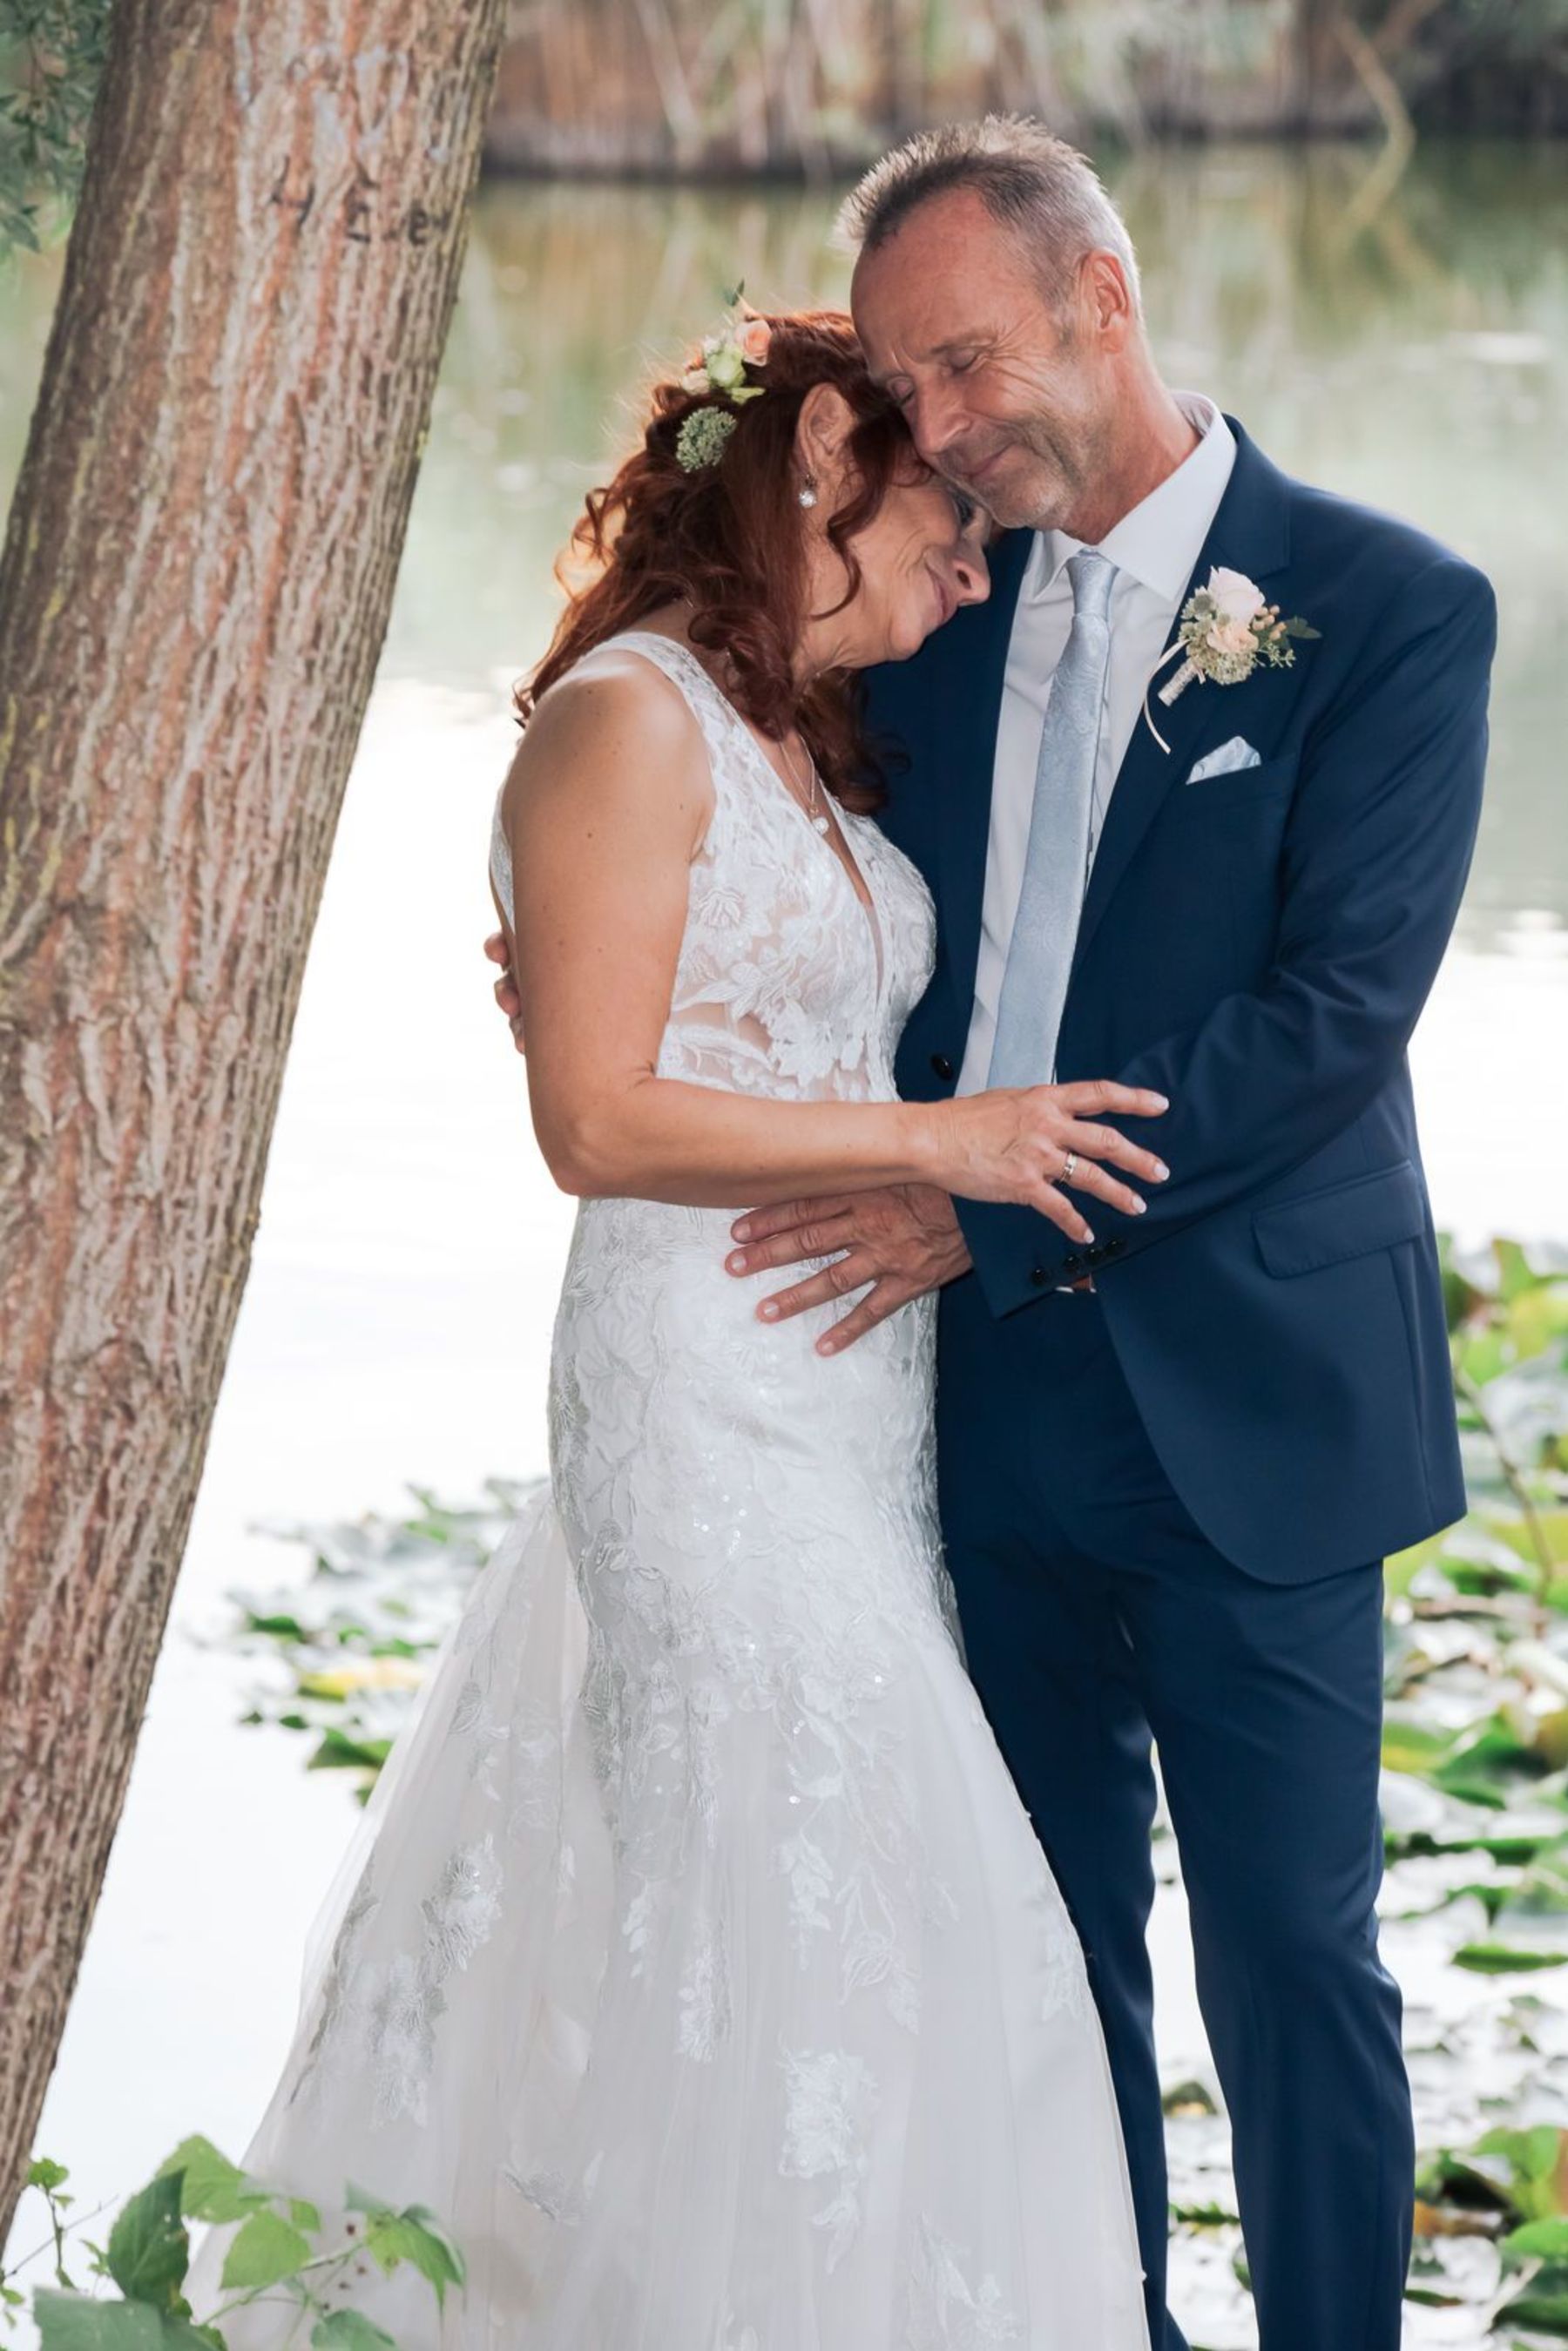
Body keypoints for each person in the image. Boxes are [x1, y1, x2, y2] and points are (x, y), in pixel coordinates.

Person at [539, 118, 1489, 2351]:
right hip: (961, 1418)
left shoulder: (1390, 609)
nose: (946, 431)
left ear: (1103, 300)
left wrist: (987, 1205)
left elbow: (1329, 1025)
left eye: (970, 365)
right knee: (1041, 1963)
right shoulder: (923, 617)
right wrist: (559, 948)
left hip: (1251, 1399)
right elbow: (693, 788)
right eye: (906, 389)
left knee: (1297, 1963)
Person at [187, 304, 1168, 2349]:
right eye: (944, 519)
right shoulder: (623, 719)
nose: (970, 567)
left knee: (844, 1926)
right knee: (799, 1899)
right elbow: (595, 1121)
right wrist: (942, 1140)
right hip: (700, 1406)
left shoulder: (795, 734)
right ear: (820, 454)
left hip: (849, 1422)